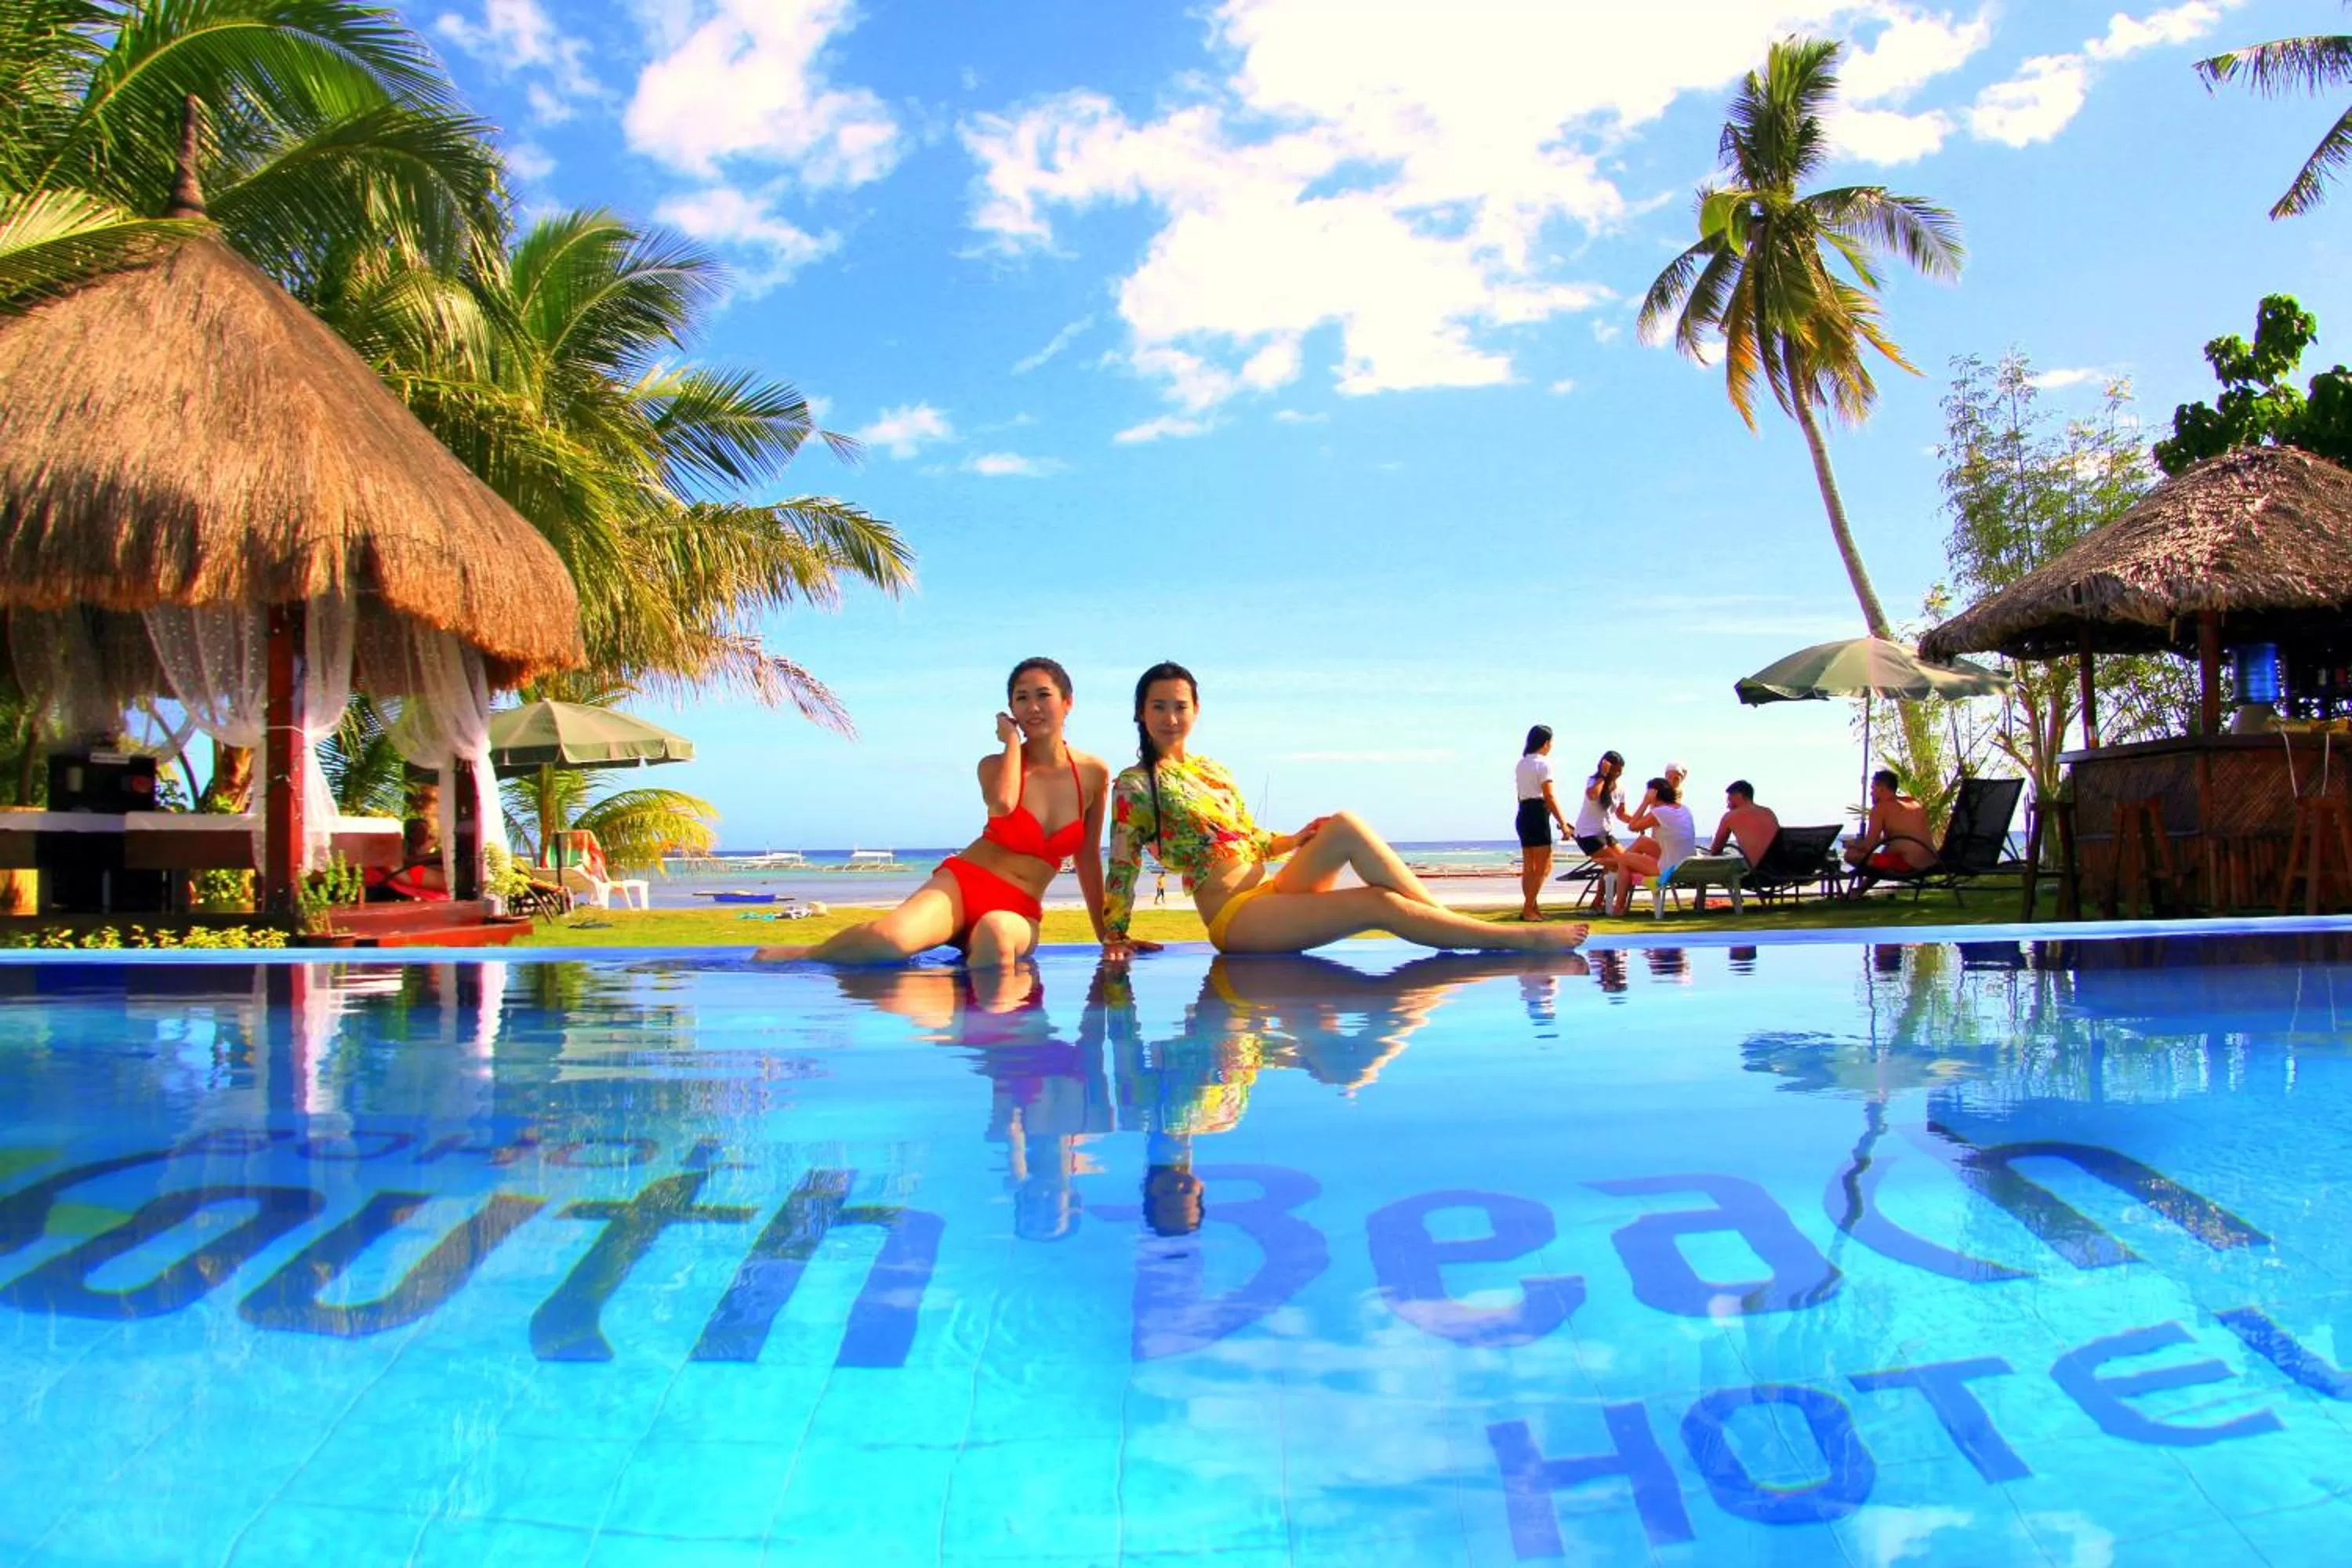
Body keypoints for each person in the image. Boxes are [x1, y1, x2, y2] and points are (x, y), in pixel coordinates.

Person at [1102, 662, 1586, 959]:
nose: (1170, 717)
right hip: (1235, 919)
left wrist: (1296, 840)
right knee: (1379, 905)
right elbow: (1122, 862)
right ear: (1141, 713)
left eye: (1180, 706)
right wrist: (1115, 935)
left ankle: (1456, 925)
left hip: (1270, 890)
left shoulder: (1213, 772)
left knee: (1344, 824)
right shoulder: (1137, 785)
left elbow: (1249, 836)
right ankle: (1504, 938)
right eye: (1158, 706)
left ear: (1196, 710)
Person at [757, 657, 1114, 967]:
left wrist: (1108, 937)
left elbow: (1088, 860)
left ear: (1067, 702)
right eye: (1022, 698)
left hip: (1018, 909)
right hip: (963, 884)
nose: (1033, 707)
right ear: (1012, 711)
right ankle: (808, 953)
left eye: (1043, 695)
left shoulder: (1093, 773)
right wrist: (1009, 742)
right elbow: (1004, 804)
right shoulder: (994, 765)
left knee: (998, 934)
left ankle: (989, 1034)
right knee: (890, 942)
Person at [1607, 777, 1697, 916]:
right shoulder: (1684, 809)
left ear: (1654, 793)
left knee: (1624, 859)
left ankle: (1619, 907)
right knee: (1642, 841)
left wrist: (1645, 802)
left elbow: (1632, 826)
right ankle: (1618, 866)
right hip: (1687, 863)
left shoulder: (1659, 812)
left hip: (1670, 868)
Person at [1512, 724, 1573, 921]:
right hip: (1537, 812)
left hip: (1523, 813)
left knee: (1530, 867)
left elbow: (1520, 793)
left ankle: (1532, 908)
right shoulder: (1544, 764)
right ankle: (1529, 908)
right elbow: (1549, 795)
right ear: (1546, 743)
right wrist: (1563, 823)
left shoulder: (1522, 764)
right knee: (1545, 866)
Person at [1843, 768, 1936, 891]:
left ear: (1882, 789)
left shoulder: (1880, 809)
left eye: (1873, 789)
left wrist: (1852, 843)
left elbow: (1868, 846)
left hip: (1908, 865)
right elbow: (1900, 837)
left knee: (1851, 855)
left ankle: (1858, 891)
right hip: (1932, 861)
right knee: (1885, 853)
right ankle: (1859, 891)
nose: (1871, 793)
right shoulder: (1913, 802)